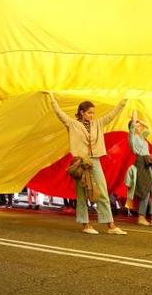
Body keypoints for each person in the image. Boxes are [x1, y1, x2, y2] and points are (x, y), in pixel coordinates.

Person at [47, 93, 127, 235]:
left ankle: (111, 225)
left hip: (95, 160)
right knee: (82, 193)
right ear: (82, 113)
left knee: (102, 191)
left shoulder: (98, 123)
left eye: (93, 113)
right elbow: (59, 113)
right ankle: (86, 225)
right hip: (80, 162)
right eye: (89, 113)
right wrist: (52, 98)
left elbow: (112, 115)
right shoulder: (73, 124)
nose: (92, 115)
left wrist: (123, 101)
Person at [129, 110, 152, 227]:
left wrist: (142, 122)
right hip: (140, 163)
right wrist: (134, 116)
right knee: (145, 191)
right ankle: (141, 217)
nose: (139, 127)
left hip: (148, 162)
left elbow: (149, 129)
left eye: (139, 126)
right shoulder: (132, 138)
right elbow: (133, 125)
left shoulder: (142, 137)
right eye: (137, 126)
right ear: (132, 128)